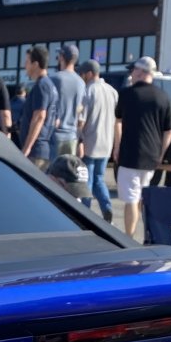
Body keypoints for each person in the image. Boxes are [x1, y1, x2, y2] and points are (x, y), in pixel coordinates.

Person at [112, 55, 171, 238]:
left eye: (133, 70)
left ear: (140, 72)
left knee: (131, 198)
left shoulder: (126, 94)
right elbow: (168, 131)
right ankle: (142, 233)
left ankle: (129, 236)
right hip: (152, 156)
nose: (131, 74)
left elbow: (118, 122)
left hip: (130, 153)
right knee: (140, 197)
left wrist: (117, 146)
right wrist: (161, 154)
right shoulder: (163, 97)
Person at [76, 58, 118, 221]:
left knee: (87, 180)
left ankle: (85, 214)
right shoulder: (112, 91)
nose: (81, 77)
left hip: (90, 142)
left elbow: (82, 121)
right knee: (99, 179)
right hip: (106, 143)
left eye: (82, 74)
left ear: (89, 73)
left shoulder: (88, 91)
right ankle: (107, 208)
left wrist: (79, 140)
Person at [19, 45, 58, 170]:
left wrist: (27, 147)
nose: (25, 65)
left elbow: (40, 116)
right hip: (43, 149)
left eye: (27, 62)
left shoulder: (42, 86)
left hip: (36, 152)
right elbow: (56, 120)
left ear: (35, 64)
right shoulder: (50, 85)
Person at [51, 44, 85, 158]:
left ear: (61, 57)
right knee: (66, 173)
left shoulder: (55, 79)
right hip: (72, 136)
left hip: (55, 135)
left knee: (50, 174)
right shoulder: (81, 82)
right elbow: (81, 114)